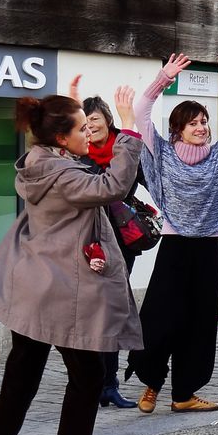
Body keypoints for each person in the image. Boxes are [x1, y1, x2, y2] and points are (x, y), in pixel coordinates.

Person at [0, 92, 144, 435]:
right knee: (77, 377)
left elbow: (96, 174)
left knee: (27, 382)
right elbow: (113, 185)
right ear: (62, 140)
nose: (89, 133)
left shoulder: (42, 164)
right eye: (82, 128)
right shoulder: (62, 175)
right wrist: (128, 130)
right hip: (60, 295)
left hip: (34, 291)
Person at [125, 47, 218, 413]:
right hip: (176, 247)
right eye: (193, 123)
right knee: (161, 319)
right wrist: (164, 77)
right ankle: (151, 383)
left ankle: (184, 395)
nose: (202, 128)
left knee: (198, 324)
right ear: (178, 128)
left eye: (204, 121)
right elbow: (141, 112)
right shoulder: (160, 153)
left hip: (208, 247)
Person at [74, 82, 143, 409]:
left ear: (107, 120)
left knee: (112, 311)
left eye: (95, 120)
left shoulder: (123, 149)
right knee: (92, 314)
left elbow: (145, 180)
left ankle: (109, 384)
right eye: (84, 122)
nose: (91, 127)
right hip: (89, 244)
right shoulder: (80, 157)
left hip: (121, 243)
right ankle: (92, 381)